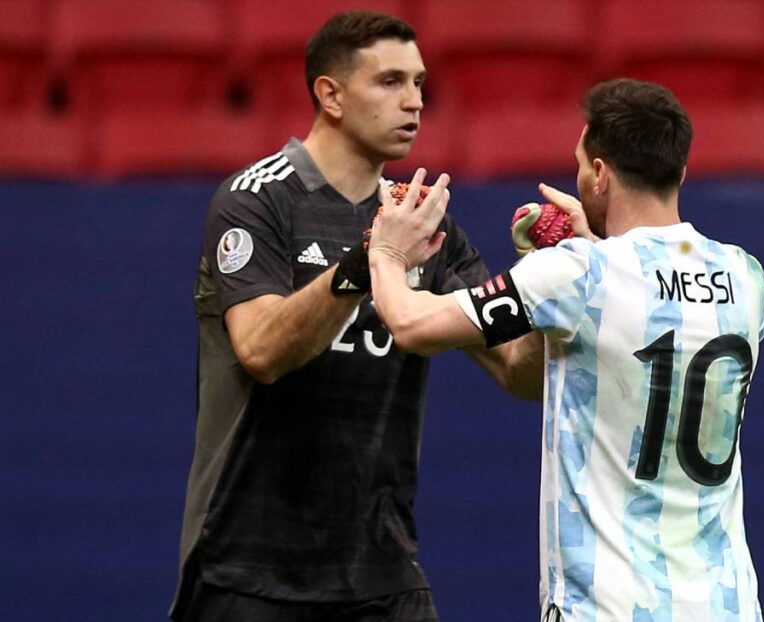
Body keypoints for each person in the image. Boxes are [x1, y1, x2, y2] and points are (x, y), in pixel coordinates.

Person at [172, 11, 540, 622]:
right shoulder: (256, 200)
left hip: (381, 574)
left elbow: (520, 374)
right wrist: (367, 263)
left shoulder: (427, 227)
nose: (415, 102)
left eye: (420, 84)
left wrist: (558, 285)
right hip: (247, 569)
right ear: (331, 94)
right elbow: (261, 352)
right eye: (391, 82)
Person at [368, 78, 764, 621]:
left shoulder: (575, 276)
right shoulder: (745, 276)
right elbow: (655, 309)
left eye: (582, 163)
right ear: (678, 171)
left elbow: (411, 325)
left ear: (600, 175)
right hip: (728, 605)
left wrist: (388, 251)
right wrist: (591, 253)